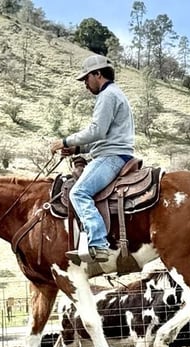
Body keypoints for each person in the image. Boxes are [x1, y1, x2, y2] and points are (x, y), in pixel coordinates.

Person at [51, 54, 135, 264]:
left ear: (98, 74)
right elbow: (105, 134)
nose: (85, 85)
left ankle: (98, 243)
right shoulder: (116, 94)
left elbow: (97, 130)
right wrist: (77, 148)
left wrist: (65, 141)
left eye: (86, 79)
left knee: (79, 192)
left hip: (111, 156)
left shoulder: (107, 96)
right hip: (117, 152)